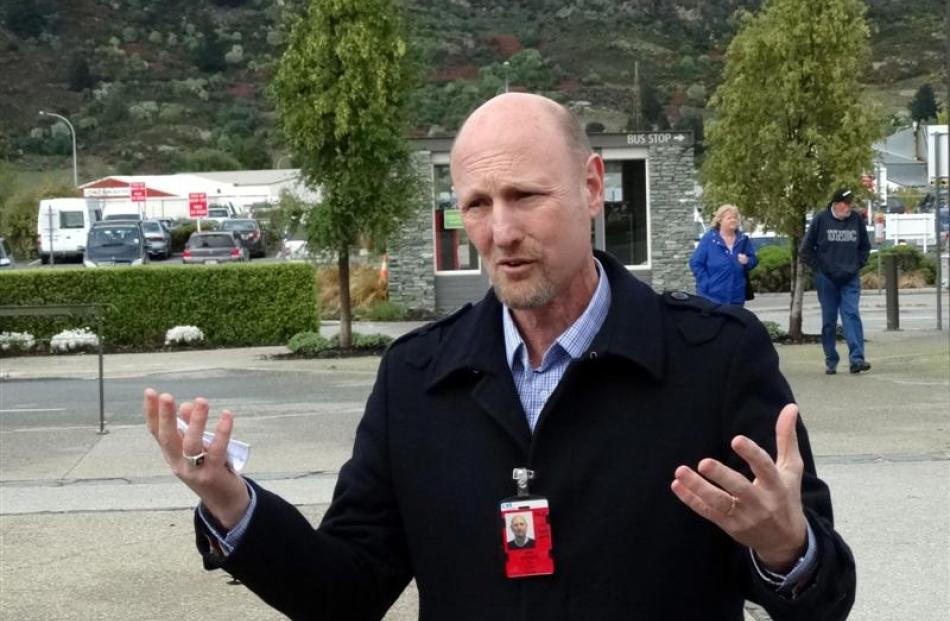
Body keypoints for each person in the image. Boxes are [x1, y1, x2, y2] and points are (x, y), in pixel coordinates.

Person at [144, 93, 855, 620]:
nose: (501, 230)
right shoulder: (416, 378)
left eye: (524, 195)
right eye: (476, 204)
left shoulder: (715, 358)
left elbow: (824, 595)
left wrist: (786, 547)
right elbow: (345, 591)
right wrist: (235, 507)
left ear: (591, 185)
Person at [800, 188, 871, 375]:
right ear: (836, 204)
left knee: (851, 314)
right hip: (827, 279)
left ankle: (857, 359)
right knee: (829, 320)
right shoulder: (820, 220)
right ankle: (831, 359)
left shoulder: (856, 220)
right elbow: (805, 251)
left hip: (850, 278)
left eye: (851, 203)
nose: (850, 207)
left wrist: (857, 265)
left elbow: (865, 246)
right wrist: (821, 269)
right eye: (846, 203)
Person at [689, 204, 758, 306]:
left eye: (735, 218)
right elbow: (695, 263)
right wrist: (706, 282)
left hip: (736, 296)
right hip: (711, 297)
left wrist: (747, 261)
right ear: (720, 220)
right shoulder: (709, 239)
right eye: (729, 218)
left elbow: (754, 260)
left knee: (734, 321)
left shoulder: (743, 240)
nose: (733, 220)